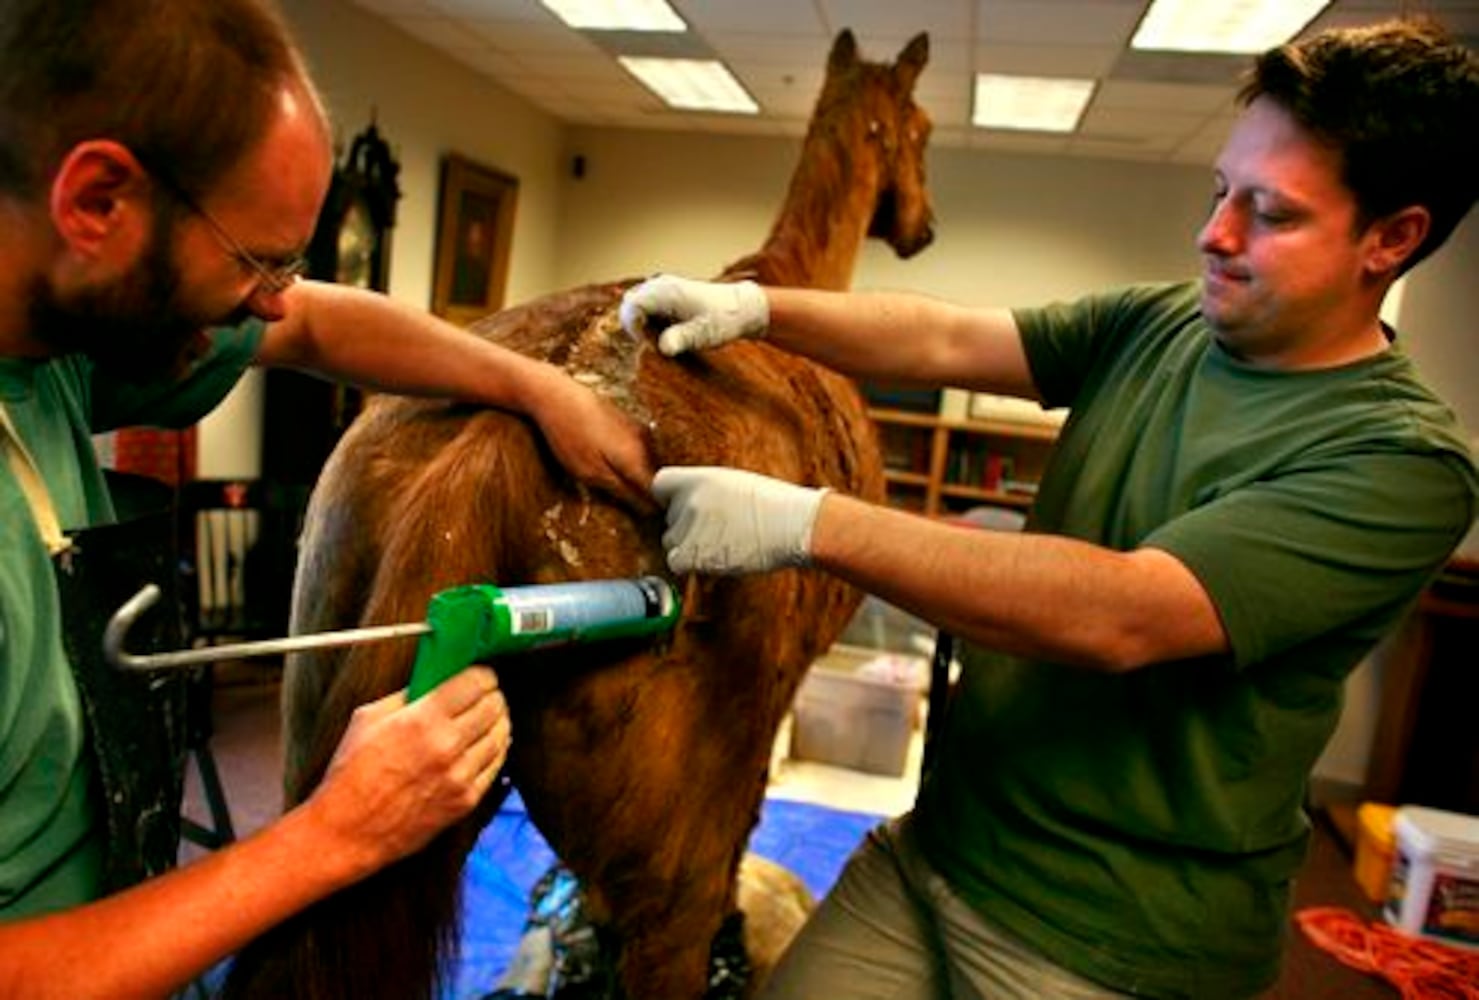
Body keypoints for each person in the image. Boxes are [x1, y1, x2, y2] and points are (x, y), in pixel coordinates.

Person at [620, 17, 1478, 1000]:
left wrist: (805, 523)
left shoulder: (1400, 460)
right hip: (937, 850)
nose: (1215, 232)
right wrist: (758, 309)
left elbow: (1121, 611)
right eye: (1218, 192)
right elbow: (944, 340)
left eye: (1270, 214)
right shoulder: (1163, 323)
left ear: (1394, 237)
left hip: (1113, 933)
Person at [0, 0, 654, 996]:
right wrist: (336, 832)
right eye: (253, 262)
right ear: (97, 201)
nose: (271, 298)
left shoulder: (49, 351)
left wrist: (540, 387)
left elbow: (312, 327)